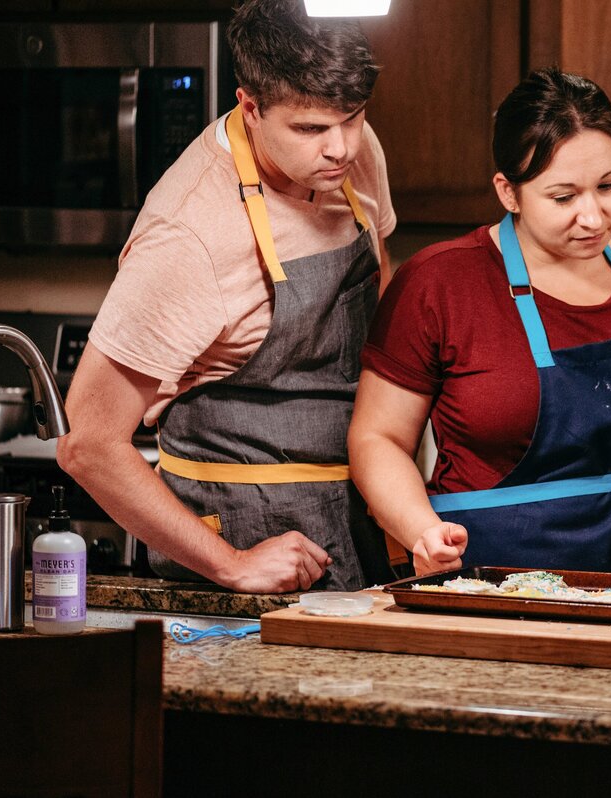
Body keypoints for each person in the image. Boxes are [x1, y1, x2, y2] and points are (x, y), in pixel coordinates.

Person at [57, 0, 396, 593]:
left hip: (361, 510)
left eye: (354, 117)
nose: (341, 148)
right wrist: (230, 564)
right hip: (242, 531)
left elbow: (381, 297)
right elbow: (86, 443)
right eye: (311, 128)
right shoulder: (189, 234)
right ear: (251, 106)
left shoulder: (350, 153)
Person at [350, 68, 611, 576]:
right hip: (493, 584)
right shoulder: (439, 283)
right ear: (508, 191)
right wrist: (420, 529)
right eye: (564, 197)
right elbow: (379, 438)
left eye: (609, 186)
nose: (593, 216)